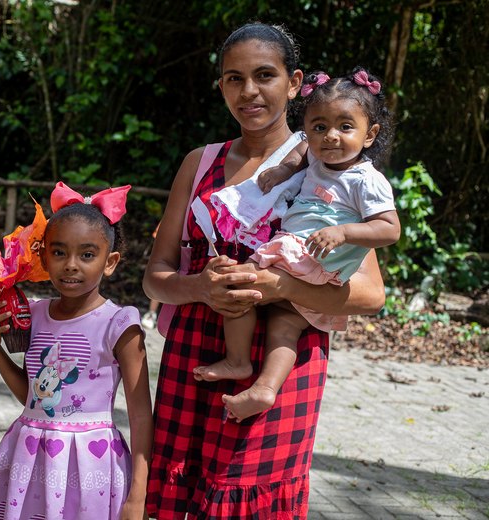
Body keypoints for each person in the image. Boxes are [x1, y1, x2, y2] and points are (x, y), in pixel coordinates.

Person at [143, 23, 387, 519]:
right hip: (195, 353)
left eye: (265, 75)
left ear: (294, 82)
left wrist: (282, 285)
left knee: (247, 497)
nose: (248, 91)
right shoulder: (200, 163)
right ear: (221, 86)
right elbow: (156, 277)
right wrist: (199, 287)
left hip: (282, 363)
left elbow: (370, 296)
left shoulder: (330, 164)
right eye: (234, 78)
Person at [195, 67, 401, 422]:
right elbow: (300, 156)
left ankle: (237, 358)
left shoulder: (366, 179)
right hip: (305, 260)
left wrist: (345, 232)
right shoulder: (317, 161)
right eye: (319, 127)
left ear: (371, 135)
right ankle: (264, 387)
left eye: (345, 127)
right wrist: (281, 171)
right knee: (285, 324)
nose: (331, 137)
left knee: (241, 284)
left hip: (313, 255)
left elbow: (390, 229)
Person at [0, 182, 153, 520]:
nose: (71, 265)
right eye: (59, 252)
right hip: (30, 459)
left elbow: (141, 416)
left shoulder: (119, 324)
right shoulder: (35, 314)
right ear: (43, 257)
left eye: (87, 254)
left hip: (90, 470)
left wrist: (138, 494)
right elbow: (35, 397)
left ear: (110, 261)